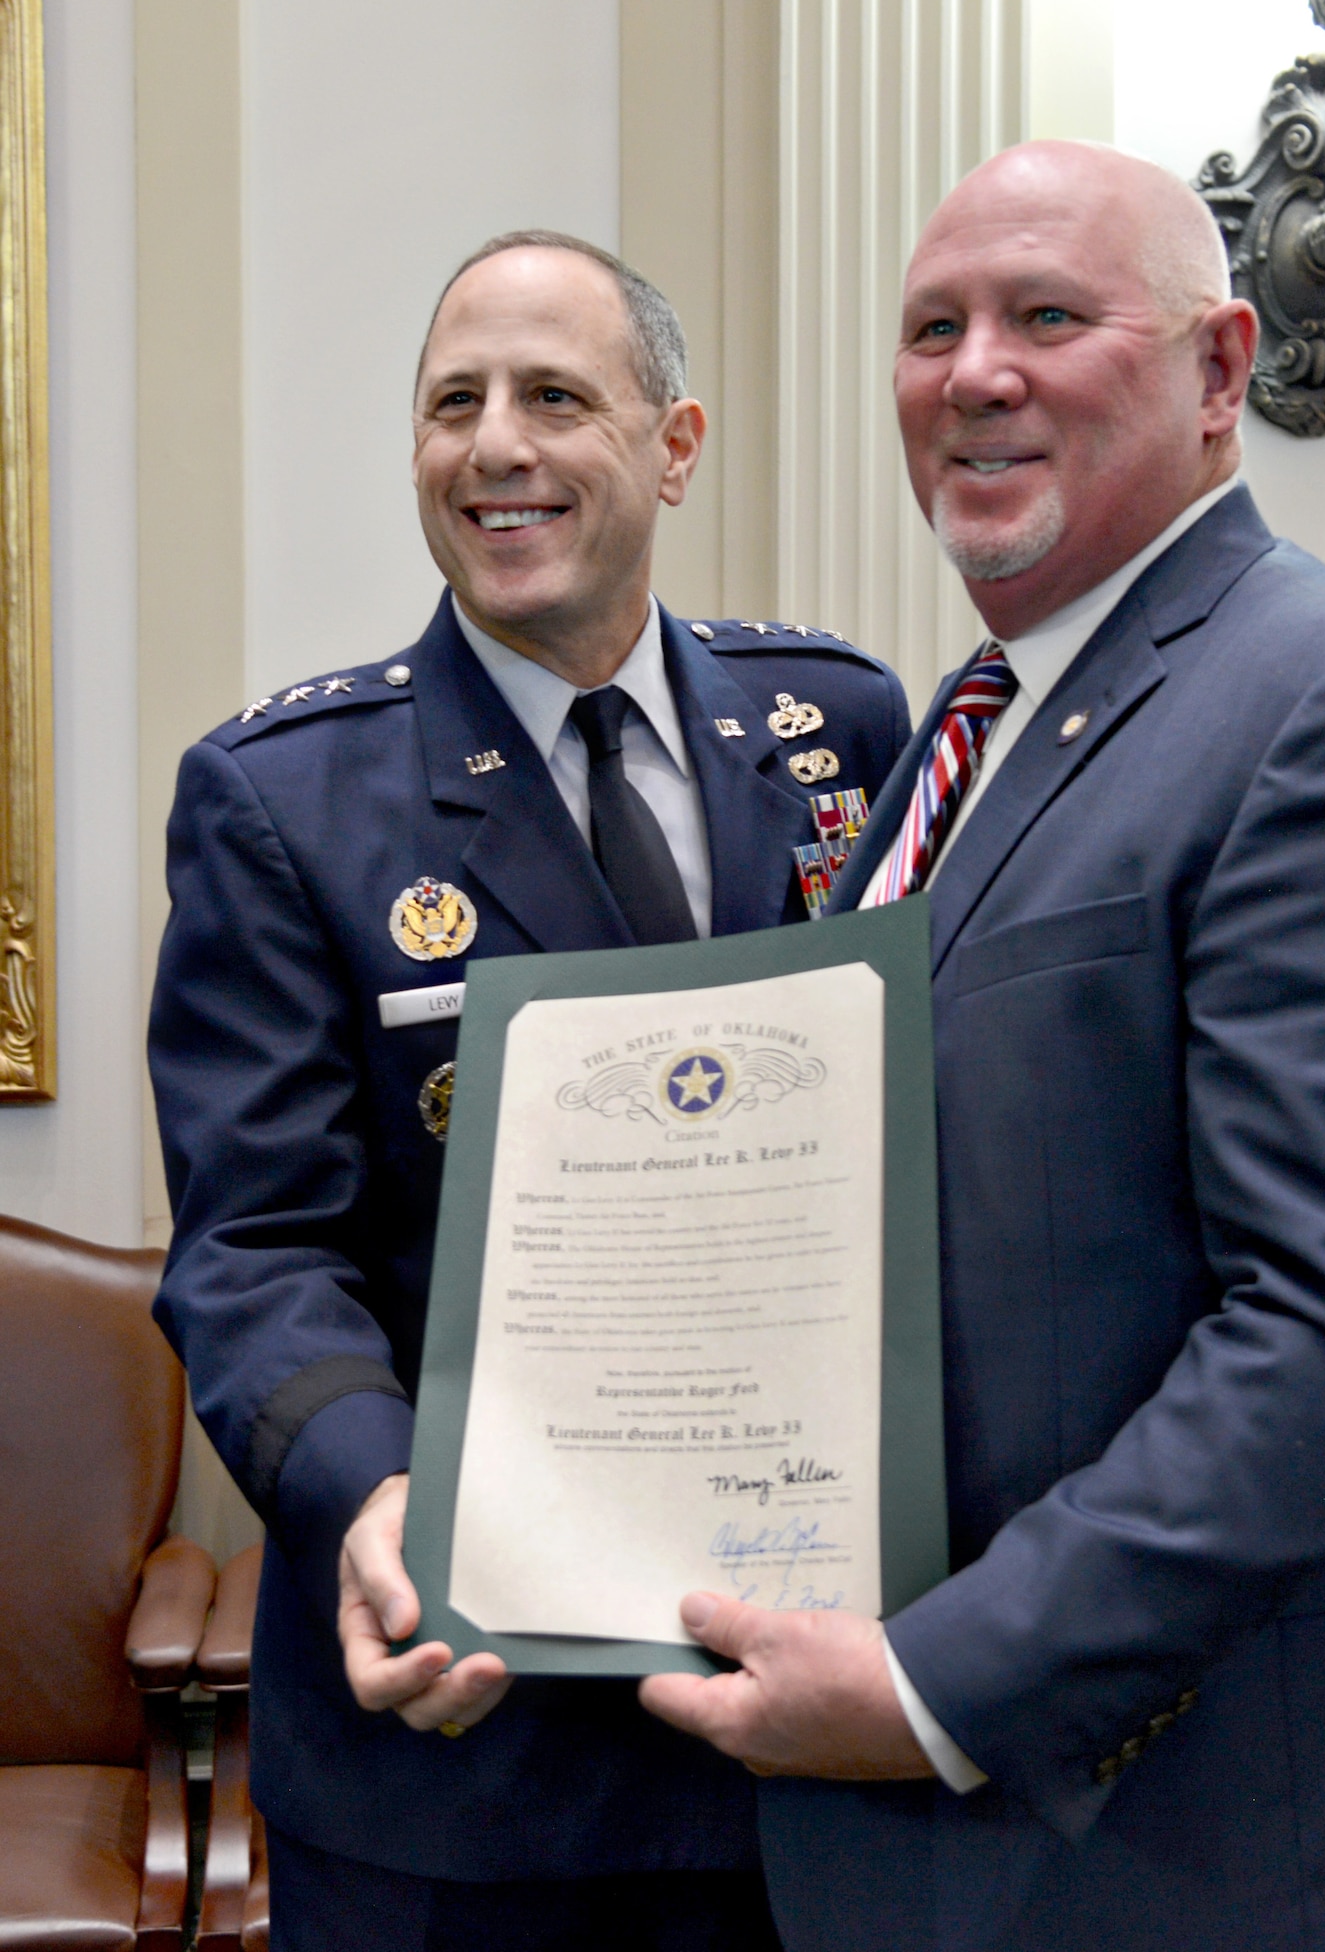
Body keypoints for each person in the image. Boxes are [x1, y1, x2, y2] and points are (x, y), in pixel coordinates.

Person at [636, 145, 1325, 1950]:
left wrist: (938, 1684)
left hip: (1260, 1842)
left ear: (1222, 367)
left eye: (1047, 317)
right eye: (931, 328)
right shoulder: (969, 730)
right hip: (1000, 1853)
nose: (974, 372)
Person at [149, 228, 910, 1949]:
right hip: (465, 1756)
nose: (493, 446)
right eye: (451, 405)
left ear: (674, 445)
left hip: (804, 1722)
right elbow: (253, 1252)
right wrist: (380, 1499)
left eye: (554, 397)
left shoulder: (839, 730)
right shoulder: (286, 801)